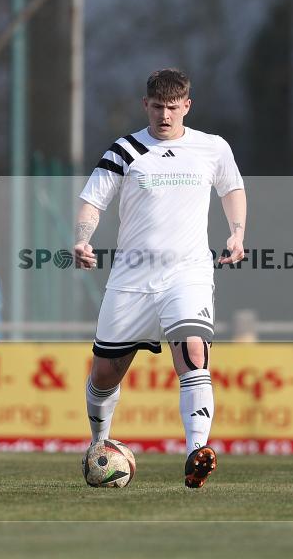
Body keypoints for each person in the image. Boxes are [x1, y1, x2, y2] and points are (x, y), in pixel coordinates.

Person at [74, 68, 246, 488]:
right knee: (105, 374)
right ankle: (101, 443)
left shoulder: (211, 148)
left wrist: (237, 234)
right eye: (157, 107)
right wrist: (82, 239)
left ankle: (196, 452)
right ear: (145, 105)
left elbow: (232, 189)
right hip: (131, 280)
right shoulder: (125, 149)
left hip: (187, 275)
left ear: (187, 105)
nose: (164, 115)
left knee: (193, 353)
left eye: (173, 107)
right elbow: (91, 202)